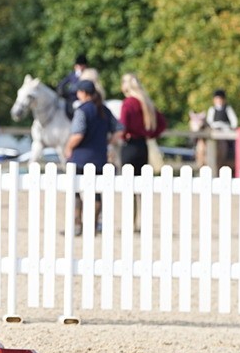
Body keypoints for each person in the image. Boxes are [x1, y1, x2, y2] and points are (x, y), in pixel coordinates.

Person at [64, 79, 124, 234]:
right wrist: (107, 142)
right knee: (97, 193)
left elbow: (78, 134)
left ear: (84, 93)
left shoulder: (82, 110)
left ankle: (78, 224)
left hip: (80, 158)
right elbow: (119, 130)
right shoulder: (104, 110)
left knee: (76, 191)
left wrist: (68, 147)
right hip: (99, 158)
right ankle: (94, 225)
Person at [119, 73, 167, 173]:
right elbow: (162, 123)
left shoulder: (128, 103)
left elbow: (123, 125)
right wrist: (150, 134)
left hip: (130, 145)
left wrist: (123, 136)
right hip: (143, 146)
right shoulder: (146, 102)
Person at [57, 53, 89, 118]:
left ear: (85, 66)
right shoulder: (72, 75)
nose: (79, 68)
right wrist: (60, 89)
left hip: (82, 99)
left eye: (81, 66)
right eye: (78, 66)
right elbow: (63, 83)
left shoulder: (87, 75)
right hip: (70, 99)